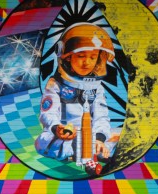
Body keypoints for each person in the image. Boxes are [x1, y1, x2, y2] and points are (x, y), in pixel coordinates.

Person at [35, 22, 118, 171]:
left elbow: (102, 117)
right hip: (66, 134)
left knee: (117, 135)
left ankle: (96, 150)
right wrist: (57, 128)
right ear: (66, 57)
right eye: (81, 56)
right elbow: (48, 113)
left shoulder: (97, 87)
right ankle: (80, 151)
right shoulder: (55, 84)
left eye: (93, 57)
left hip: (91, 135)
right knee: (43, 142)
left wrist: (99, 139)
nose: (87, 62)